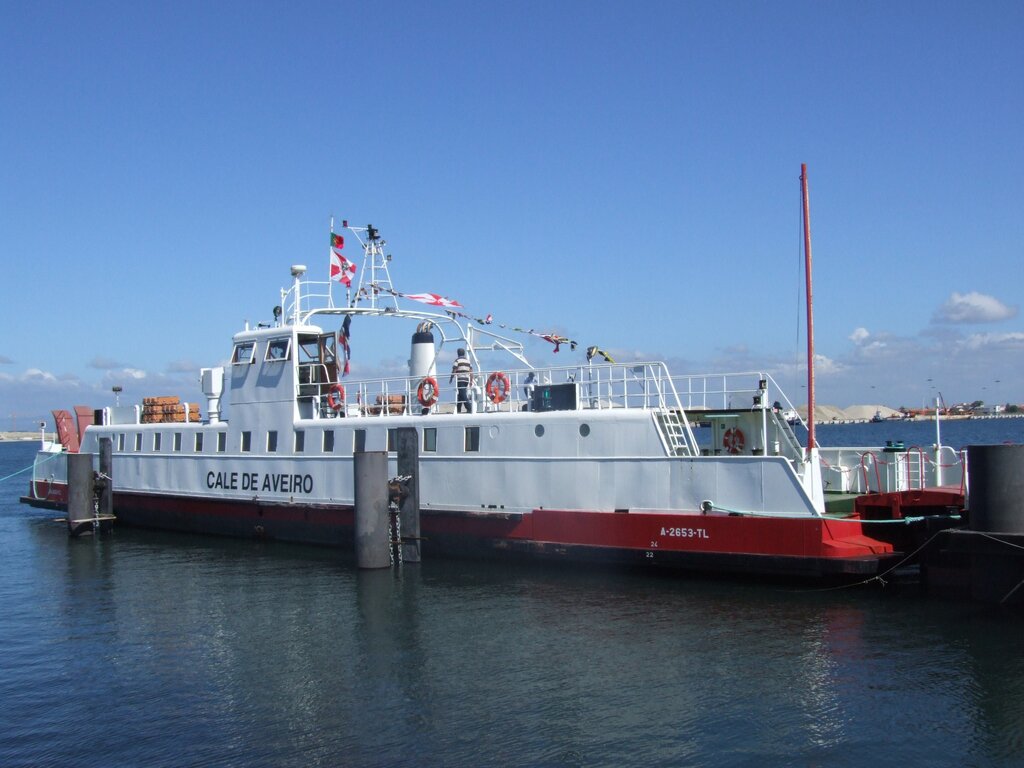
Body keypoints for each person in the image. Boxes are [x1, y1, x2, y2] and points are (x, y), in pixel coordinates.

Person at [450, 348, 473, 413]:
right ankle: (458, 409)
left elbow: (454, 370)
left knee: (462, 394)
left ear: (458, 353)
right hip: (466, 379)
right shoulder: (468, 361)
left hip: (460, 379)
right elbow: (471, 371)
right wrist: (471, 380)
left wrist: (451, 377)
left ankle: (469, 407)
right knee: (460, 394)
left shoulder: (457, 360)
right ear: (464, 353)